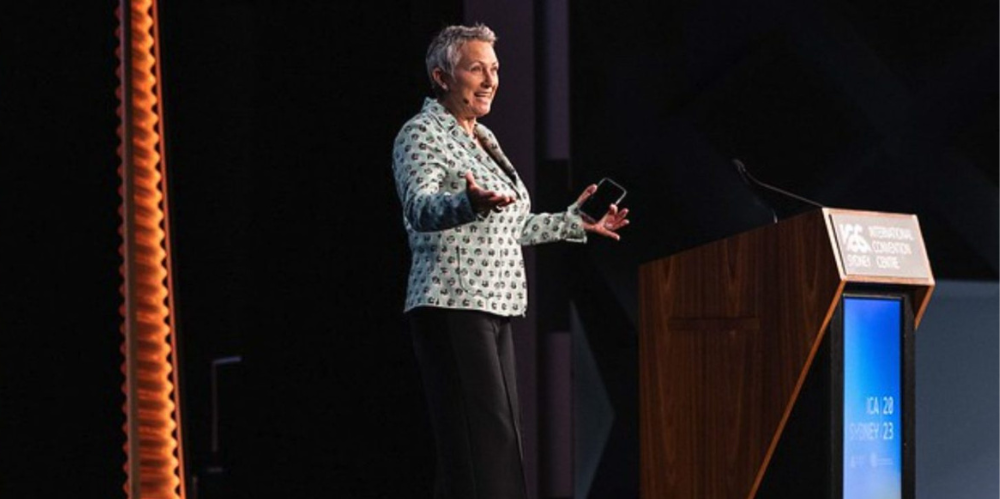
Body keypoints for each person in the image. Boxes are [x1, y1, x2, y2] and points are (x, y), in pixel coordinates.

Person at [391, 23, 629, 499]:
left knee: (484, 449)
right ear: (441, 76)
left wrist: (573, 223)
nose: (490, 80)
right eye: (476, 68)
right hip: (451, 301)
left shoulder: (483, 138)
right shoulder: (420, 133)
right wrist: (466, 203)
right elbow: (420, 208)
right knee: (486, 446)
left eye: (495, 69)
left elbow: (509, 224)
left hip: (493, 305)